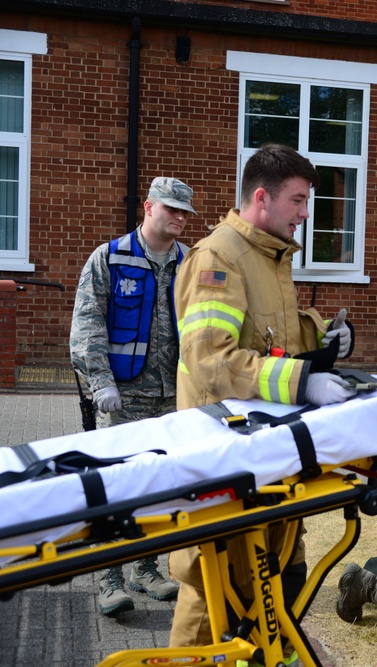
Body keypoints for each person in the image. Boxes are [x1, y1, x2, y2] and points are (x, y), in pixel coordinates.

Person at [168, 144, 354, 653]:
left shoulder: (270, 253)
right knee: (213, 594)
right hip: (222, 464)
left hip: (267, 459)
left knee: (275, 582)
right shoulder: (220, 257)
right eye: (297, 199)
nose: (305, 212)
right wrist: (301, 382)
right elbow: (212, 359)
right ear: (261, 198)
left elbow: (271, 337)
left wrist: (322, 339)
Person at [69, 176, 194, 616]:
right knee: (114, 485)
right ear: (148, 207)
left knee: (159, 485)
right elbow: (87, 325)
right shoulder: (110, 257)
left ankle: (146, 569)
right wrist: (99, 381)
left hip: (176, 395)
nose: (178, 217)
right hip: (123, 396)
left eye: (184, 212)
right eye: (171, 209)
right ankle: (108, 579)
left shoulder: (191, 262)